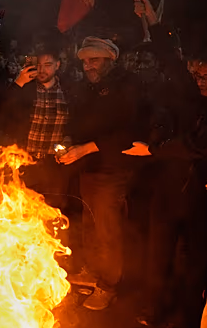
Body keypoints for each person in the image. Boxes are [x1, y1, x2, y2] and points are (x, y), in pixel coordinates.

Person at [122, 48, 207, 328]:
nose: (201, 81)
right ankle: (155, 306)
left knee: (197, 261)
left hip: (204, 198)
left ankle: (184, 319)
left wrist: (152, 151)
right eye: (198, 75)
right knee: (159, 251)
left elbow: (198, 146)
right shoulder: (190, 101)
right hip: (170, 191)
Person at [59, 36, 146, 310]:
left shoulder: (128, 85)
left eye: (94, 60)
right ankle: (93, 272)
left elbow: (129, 132)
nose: (88, 66)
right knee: (90, 222)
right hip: (89, 167)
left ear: (110, 59)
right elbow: (80, 120)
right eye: (84, 61)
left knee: (107, 227)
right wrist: (69, 143)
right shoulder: (88, 87)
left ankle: (109, 284)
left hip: (113, 169)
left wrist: (86, 149)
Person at [1, 46, 71, 210]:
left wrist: (66, 143)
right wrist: (19, 83)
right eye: (38, 65)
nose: (42, 70)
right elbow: (2, 110)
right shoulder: (25, 88)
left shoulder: (68, 91)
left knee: (53, 211)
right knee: (23, 212)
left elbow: (73, 124)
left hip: (54, 164)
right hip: (26, 161)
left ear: (57, 65)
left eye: (48, 64)